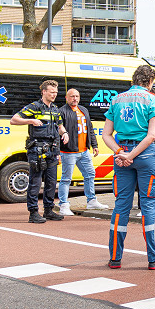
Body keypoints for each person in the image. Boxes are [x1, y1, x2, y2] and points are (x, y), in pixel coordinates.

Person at [100, 64, 155, 270]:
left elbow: (106, 134)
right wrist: (132, 155)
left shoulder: (116, 100)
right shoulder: (152, 99)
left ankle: (115, 258)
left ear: (133, 80)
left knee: (121, 204)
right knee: (149, 206)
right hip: (145, 155)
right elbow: (152, 135)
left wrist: (121, 153)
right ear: (150, 82)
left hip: (122, 154)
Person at [10, 79, 68, 224]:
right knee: (35, 182)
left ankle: (48, 210)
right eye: (51, 92)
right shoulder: (34, 107)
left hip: (53, 150)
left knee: (51, 182)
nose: (54, 95)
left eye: (56, 92)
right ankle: (33, 212)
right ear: (44, 92)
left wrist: (64, 133)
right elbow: (14, 119)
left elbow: (60, 126)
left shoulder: (55, 109)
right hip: (37, 150)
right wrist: (30, 121)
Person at [57, 88, 106, 216]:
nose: (75, 99)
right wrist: (57, 152)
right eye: (72, 96)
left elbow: (90, 128)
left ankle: (91, 201)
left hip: (84, 151)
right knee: (66, 179)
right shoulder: (62, 112)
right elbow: (57, 133)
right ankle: (63, 204)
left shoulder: (84, 110)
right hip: (68, 152)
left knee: (90, 174)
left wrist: (94, 145)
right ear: (66, 98)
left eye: (77, 96)